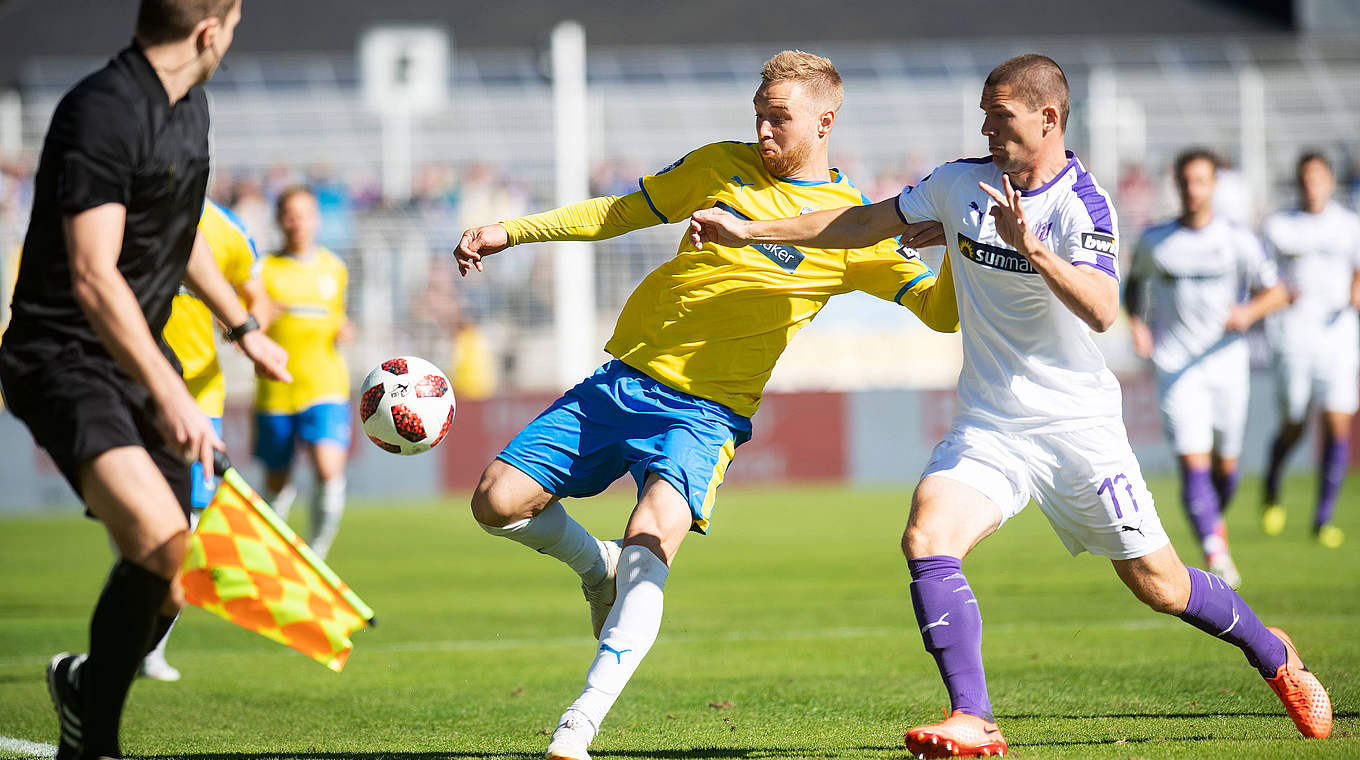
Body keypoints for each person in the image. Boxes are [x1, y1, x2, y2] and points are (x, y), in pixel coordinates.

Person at [690, 53, 1332, 757]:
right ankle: (974, 718)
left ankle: (1273, 654)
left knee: (1160, 585)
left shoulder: (1082, 205)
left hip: (1079, 430)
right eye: (985, 117)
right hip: (991, 425)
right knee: (927, 535)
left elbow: (1105, 310)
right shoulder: (959, 183)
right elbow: (861, 223)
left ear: (1048, 117)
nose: (989, 128)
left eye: (1003, 117)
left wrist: (1038, 252)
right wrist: (748, 230)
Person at [454, 50, 958, 760]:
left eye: (779, 118)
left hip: (706, 414)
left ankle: (580, 722)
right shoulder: (718, 164)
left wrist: (972, 248)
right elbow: (620, 212)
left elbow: (941, 313)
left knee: (651, 537)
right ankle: (591, 568)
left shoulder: (853, 225)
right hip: (625, 380)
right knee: (495, 501)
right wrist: (514, 230)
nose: (763, 131)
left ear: (825, 121)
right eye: (758, 115)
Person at [0, 3, 290, 758]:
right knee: (163, 543)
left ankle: (80, 689)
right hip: (62, 358)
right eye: (232, 23)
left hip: (130, 358)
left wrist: (244, 329)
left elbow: (179, 227)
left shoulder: (190, 109)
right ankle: (96, 741)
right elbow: (94, 278)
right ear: (208, 32)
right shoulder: (100, 112)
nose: (232, 37)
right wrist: (171, 392)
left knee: (170, 572)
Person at [1124, 149, 1289, 588]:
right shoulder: (1155, 240)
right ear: (1176, 186)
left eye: (1201, 181)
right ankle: (1216, 553)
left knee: (1226, 469)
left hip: (1227, 366)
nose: (1192, 190)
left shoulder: (1239, 239)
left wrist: (1249, 313)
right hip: (1177, 368)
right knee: (1192, 462)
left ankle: (1213, 525)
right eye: (1186, 182)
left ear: (1213, 185)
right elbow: (1133, 289)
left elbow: (1278, 291)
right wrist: (1138, 327)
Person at [139, 197, 267, 681]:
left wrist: (248, 330)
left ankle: (152, 646)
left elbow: (259, 299)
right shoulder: (130, 207)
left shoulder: (227, 228)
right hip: (138, 385)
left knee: (185, 524)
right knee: (142, 521)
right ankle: (137, 623)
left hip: (200, 396)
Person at [1259, 152, 1360, 549]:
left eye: (1318, 177)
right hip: (1295, 336)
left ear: (1330, 182)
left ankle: (1323, 519)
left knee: (1338, 422)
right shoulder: (1280, 227)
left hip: (1339, 334)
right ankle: (1271, 483)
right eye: (1305, 178)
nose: (1311, 185)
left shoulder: (1350, 226)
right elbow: (1262, 276)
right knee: (1296, 424)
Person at [254, 185, 353, 560]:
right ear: (280, 220)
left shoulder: (334, 268)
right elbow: (237, 325)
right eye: (289, 214)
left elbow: (339, 319)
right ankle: (273, 555)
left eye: (304, 214)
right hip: (276, 389)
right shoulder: (263, 269)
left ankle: (317, 554)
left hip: (325, 384)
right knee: (277, 482)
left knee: (328, 470)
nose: (297, 222)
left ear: (316, 219)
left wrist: (345, 329)